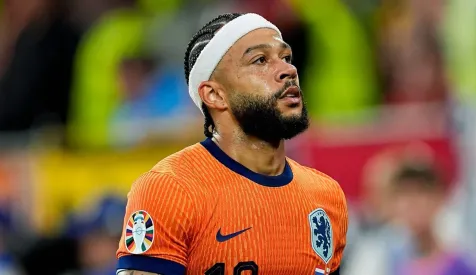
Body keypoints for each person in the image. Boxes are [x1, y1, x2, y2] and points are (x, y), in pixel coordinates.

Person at [116, 13, 348, 275]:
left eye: (285, 58)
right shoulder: (170, 188)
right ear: (214, 95)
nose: (288, 70)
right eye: (260, 60)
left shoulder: (327, 196)